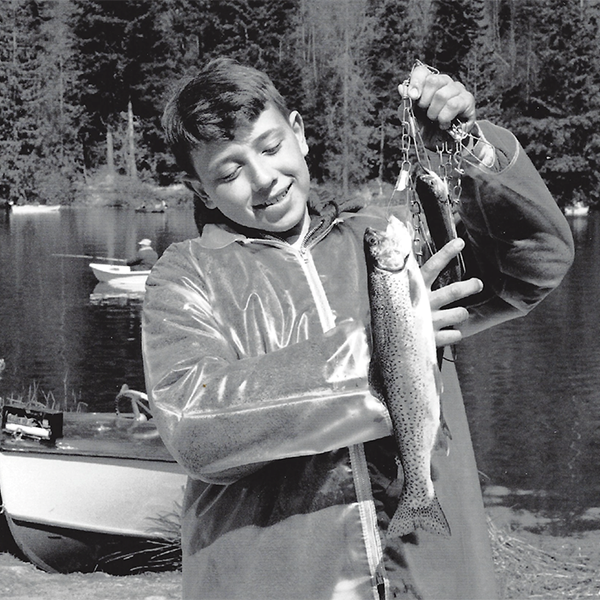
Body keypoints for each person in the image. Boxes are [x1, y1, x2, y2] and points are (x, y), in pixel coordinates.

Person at [141, 58, 574, 600]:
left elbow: (533, 267)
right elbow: (193, 426)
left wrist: (470, 148)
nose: (263, 179)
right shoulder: (186, 276)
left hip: (431, 577)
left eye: (271, 147)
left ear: (299, 134)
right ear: (199, 189)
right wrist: (374, 358)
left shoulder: (385, 240)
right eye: (228, 173)